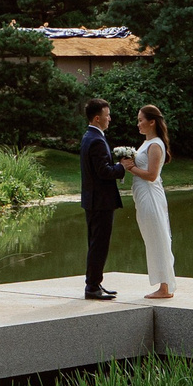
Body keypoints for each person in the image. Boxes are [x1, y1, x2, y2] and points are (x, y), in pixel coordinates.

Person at [76, 98, 125, 301]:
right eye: (107, 115)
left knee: (96, 244)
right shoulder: (96, 140)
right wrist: (123, 166)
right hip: (100, 202)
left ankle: (95, 283)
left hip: (93, 201)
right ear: (97, 118)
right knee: (99, 245)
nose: (110, 119)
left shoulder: (90, 136)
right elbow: (104, 172)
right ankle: (92, 287)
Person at [128, 104, 176, 299]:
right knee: (151, 238)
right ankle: (162, 284)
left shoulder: (155, 145)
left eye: (141, 120)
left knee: (158, 238)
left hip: (151, 195)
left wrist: (129, 167)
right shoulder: (147, 143)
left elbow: (151, 175)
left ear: (152, 122)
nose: (138, 124)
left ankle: (165, 287)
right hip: (143, 196)